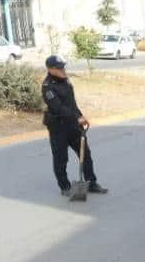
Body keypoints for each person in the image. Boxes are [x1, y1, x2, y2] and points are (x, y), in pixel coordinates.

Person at [41, 55, 108, 196]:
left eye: (63, 67)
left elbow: (72, 103)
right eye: (59, 68)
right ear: (50, 69)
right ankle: (65, 187)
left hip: (73, 126)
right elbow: (58, 108)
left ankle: (91, 183)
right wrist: (77, 118)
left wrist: (81, 116)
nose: (63, 70)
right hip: (58, 128)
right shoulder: (48, 87)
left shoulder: (66, 81)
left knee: (85, 154)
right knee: (61, 159)